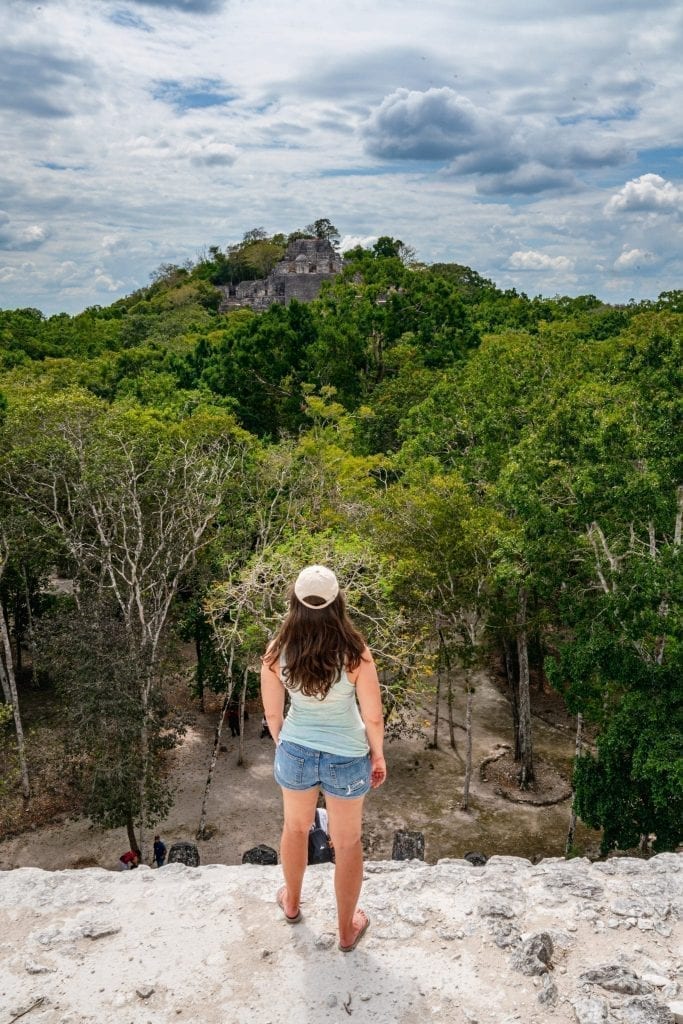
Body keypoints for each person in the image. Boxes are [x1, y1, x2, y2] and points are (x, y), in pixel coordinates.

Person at [261, 564, 387, 953]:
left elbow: (272, 714)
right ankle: (347, 931)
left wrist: (286, 743)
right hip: (347, 756)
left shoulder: (277, 650)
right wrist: (378, 755)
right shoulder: (354, 652)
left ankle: (293, 904)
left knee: (295, 829)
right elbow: (373, 715)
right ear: (337, 603)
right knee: (347, 843)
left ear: (295, 602)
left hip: (296, 750)